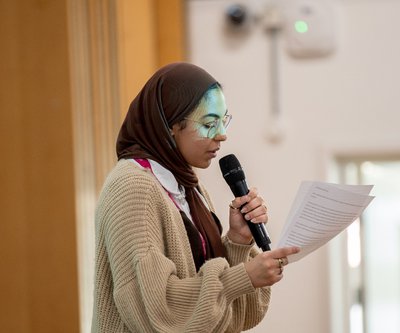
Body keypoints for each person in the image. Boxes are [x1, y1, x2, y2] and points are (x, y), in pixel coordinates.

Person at [92, 62, 300, 333]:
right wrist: (243, 276)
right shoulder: (134, 188)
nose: (222, 135)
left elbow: (230, 316)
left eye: (223, 121)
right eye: (209, 123)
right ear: (169, 126)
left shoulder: (188, 187)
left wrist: (237, 242)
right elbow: (157, 312)